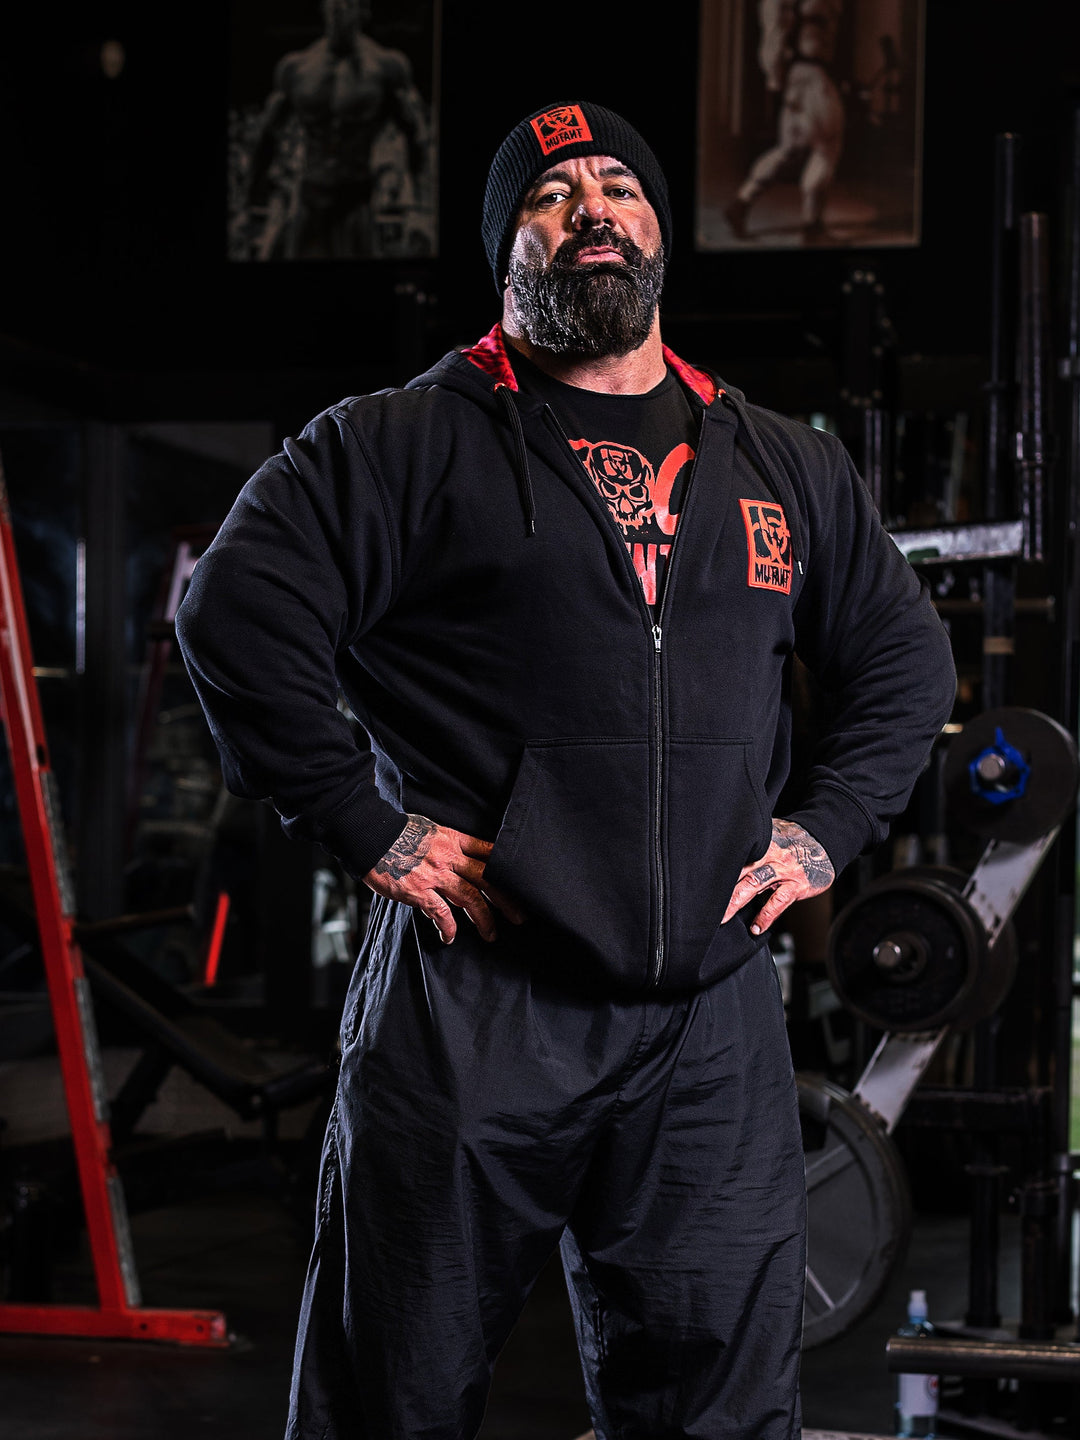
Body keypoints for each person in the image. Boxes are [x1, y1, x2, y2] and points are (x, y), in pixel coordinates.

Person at [177, 100, 956, 1440]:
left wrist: (824, 830)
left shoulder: (779, 461)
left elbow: (903, 659)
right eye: (552, 193)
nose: (593, 206)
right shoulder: (403, 442)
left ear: (658, 233)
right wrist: (373, 828)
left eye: (620, 186)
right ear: (508, 248)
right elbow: (233, 615)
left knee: (716, 1408)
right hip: (478, 999)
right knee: (394, 1393)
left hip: (707, 1018)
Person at [235, 0, 431, 260]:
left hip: (356, 202)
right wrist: (249, 204)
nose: (339, 11)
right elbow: (265, 139)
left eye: (348, 5)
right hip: (309, 199)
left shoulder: (386, 68)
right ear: (323, 9)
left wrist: (421, 208)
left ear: (363, 11)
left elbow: (416, 137)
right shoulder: (296, 68)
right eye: (333, 5)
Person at [725, 0, 845, 244]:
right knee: (827, 147)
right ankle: (812, 227)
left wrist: (781, 79)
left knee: (789, 150)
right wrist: (776, 78)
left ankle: (741, 203)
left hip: (801, 76)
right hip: (811, 76)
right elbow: (775, 26)